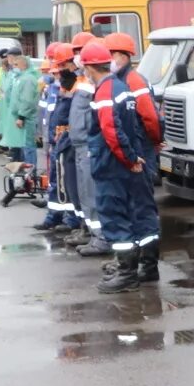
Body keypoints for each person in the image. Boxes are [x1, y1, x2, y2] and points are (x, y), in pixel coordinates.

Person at [83, 40, 161, 292]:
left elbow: (111, 130)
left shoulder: (106, 90)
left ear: (88, 67)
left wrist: (128, 157)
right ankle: (147, 267)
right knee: (141, 214)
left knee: (115, 217)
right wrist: (135, 156)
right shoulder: (120, 86)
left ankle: (127, 274)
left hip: (113, 165)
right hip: (130, 161)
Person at [66, 41, 109, 257]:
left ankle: (101, 238)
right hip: (81, 145)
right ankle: (94, 234)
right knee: (86, 193)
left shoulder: (99, 84)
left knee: (92, 194)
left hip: (89, 146)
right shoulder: (84, 81)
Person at [32, 47, 78, 232]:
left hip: (64, 140)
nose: (55, 74)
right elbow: (48, 114)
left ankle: (69, 219)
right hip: (55, 140)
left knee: (66, 183)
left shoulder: (71, 85)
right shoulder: (54, 87)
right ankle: (54, 216)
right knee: (56, 182)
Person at [0, 47, 41, 170]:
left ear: (23, 65)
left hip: (26, 118)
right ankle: (25, 169)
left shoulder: (27, 79)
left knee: (28, 146)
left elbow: (27, 101)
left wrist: (21, 116)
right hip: (20, 116)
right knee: (24, 145)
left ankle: (31, 171)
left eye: (16, 64)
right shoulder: (21, 78)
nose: (13, 66)